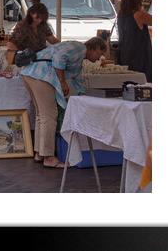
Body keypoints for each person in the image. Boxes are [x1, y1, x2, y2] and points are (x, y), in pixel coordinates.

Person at [19, 37, 107, 168]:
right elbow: (59, 58)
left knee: (41, 115)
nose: (100, 57)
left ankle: (39, 152)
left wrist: (82, 95)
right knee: (49, 116)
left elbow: (75, 79)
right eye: (100, 53)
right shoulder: (80, 48)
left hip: (30, 73)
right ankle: (48, 157)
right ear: (94, 48)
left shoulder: (79, 57)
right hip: (41, 75)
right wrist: (62, 81)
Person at [117, 0, 152, 82]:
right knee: (143, 83)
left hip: (125, 55)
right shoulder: (139, 14)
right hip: (139, 57)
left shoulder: (121, 15)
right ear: (138, 0)